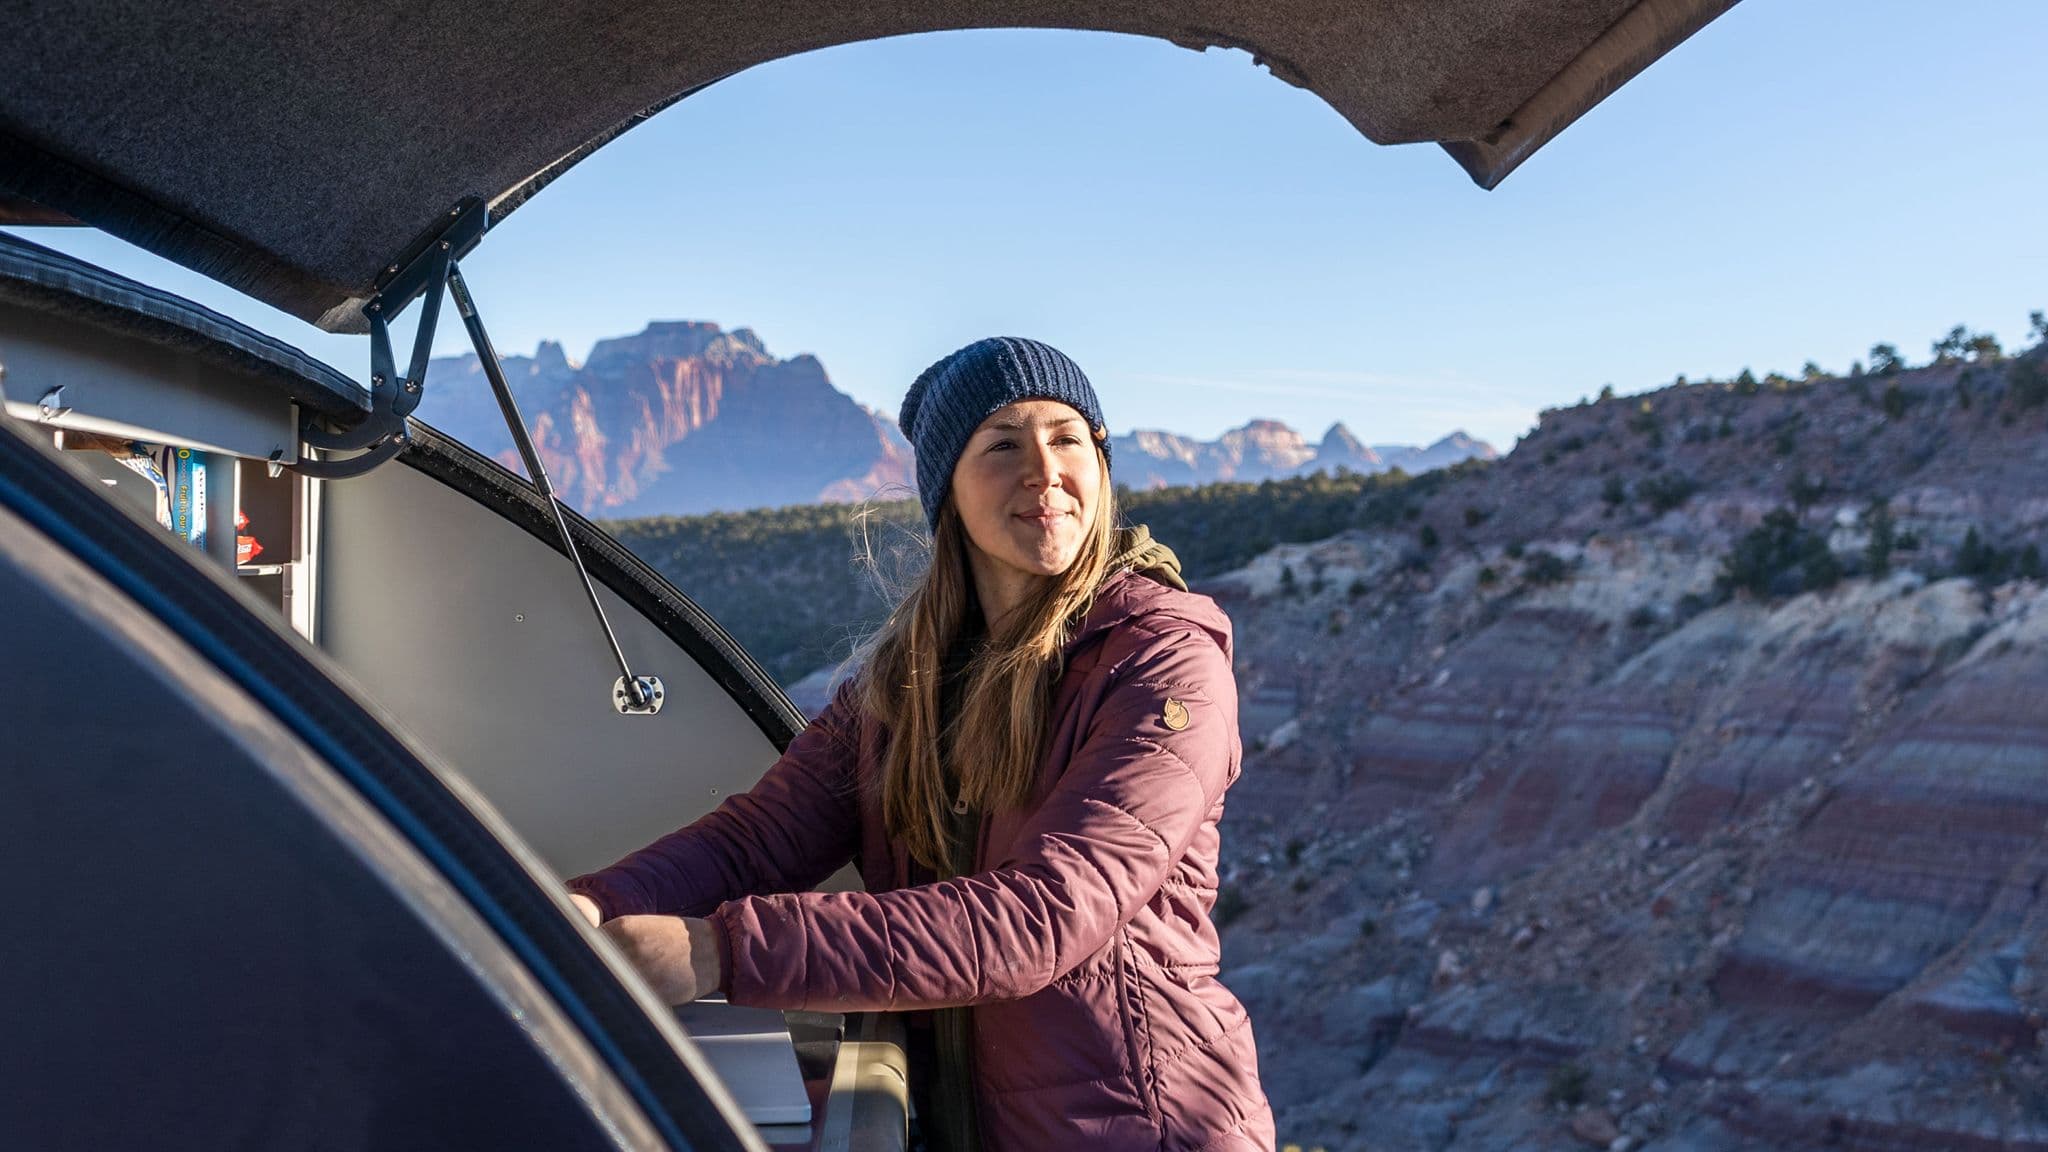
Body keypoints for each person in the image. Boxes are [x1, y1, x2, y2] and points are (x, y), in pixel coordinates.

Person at [567, 336, 1274, 1151]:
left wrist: (718, 951)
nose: (1043, 470)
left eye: (1067, 437)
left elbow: (1045, 916)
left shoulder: (1162, 660)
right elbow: (758, 840)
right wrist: (590, 905)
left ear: (1103, 466)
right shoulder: (906, 680)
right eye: (1003, 444)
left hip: (1147, 1132)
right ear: (948, 492)